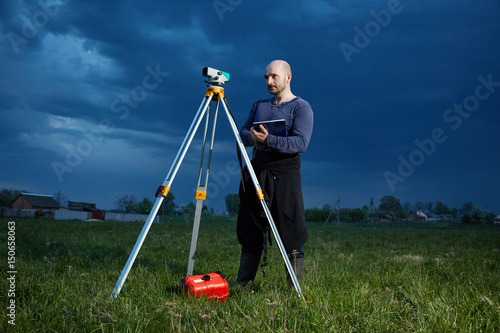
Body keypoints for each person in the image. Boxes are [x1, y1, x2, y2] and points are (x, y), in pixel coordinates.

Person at [235, 60, 314, 291]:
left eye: (274, 77)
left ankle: (293, 291)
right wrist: (254, 137)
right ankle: (243, 286)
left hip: (286, 172)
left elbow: (301, 142)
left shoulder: (301, 107)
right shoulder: (259, 105)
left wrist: (268, 140)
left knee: (290, 229)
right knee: (251, 227)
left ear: (288, 77)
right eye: (266, 77)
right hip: (257, 170)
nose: (269, 81)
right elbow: (243, 133)